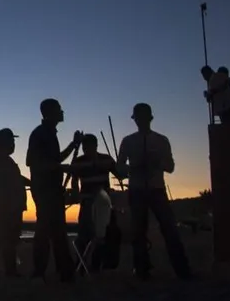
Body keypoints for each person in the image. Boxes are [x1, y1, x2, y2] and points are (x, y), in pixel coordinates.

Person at [115, 103, 193, 280]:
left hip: (156, 190)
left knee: (169, 229)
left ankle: (182, 269)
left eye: (141, 117)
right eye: (138, 118)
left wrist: (156, 163)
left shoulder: (161, 140)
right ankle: (142, 270)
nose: (140, 121)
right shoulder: (128, 141)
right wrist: (133, 167)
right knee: (139, 232)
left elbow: (170, 167)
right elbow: (119, 168)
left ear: (149, 118)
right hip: (137, 190)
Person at [25, 98, 81, 283]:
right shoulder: (40, 133)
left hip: (51, 189)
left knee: (57, 230)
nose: (62, 112)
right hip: (44, 190)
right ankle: (42, 271)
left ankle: (63, 270)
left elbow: (56, 159)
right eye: (59, 109)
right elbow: (32, 162)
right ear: (49, 112)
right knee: (45, 230)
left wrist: (73, 145)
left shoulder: (49, 133)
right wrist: (61, 169)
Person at [0, 128, 30, 278]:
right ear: (1, 142)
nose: (13, 144)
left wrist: (31, 183)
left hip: (11, 207)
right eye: (11, 141)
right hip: (2, 208)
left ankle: (10, 270)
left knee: (10, 239)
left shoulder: (5, 160)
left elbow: (17, 178)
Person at [68, 134, 118, 273]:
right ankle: (81, 264)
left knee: (102, 235)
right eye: (84, 147)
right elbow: (74, 180)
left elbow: (119, 173)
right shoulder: (79, 161)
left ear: (95, 146)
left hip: (103, 203)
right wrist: (75, 192)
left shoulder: (106, 159)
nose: (86, 150)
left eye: (88, 147)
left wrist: (120, 168)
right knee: (84, 235)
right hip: (87, 202)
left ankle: (96, 265)